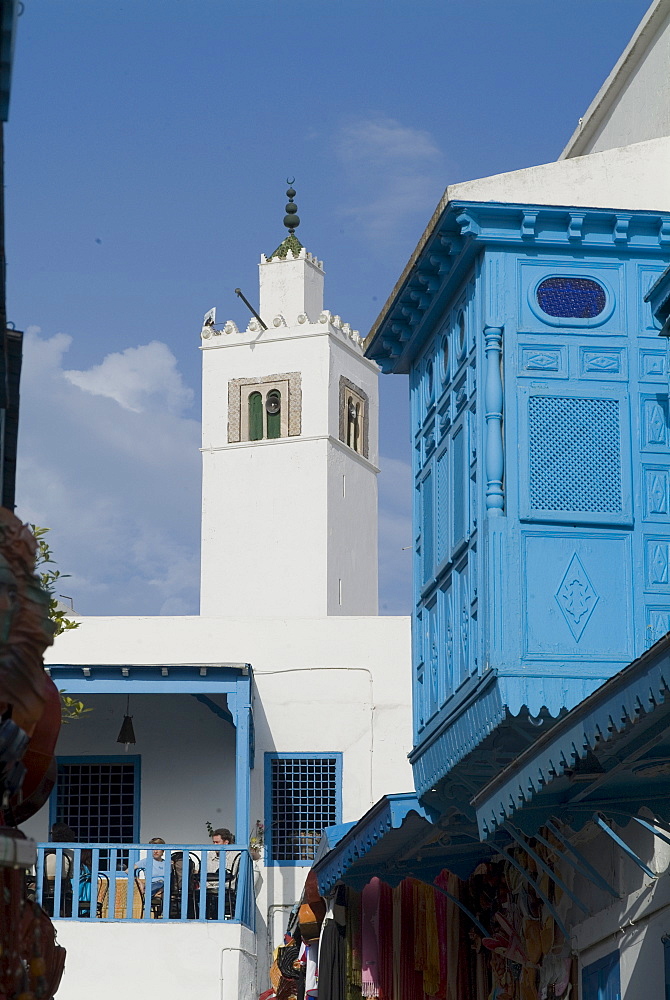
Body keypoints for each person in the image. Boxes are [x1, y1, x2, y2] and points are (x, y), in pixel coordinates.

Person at [206, 828, 239, 918]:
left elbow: (232, 876)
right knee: (193, 895)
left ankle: (216, 919)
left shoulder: (235, 855)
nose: (214, 845)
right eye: (213, 842)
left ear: (226, 842)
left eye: (217, 842)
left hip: (226, 888)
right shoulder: (210, 854)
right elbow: (199, 869)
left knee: (218, 895)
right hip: (209, 888)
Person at [134, 837, 166, 904]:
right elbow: (128, 870)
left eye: (158, 848)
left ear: (163, 850)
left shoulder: (167, 863)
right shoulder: (147, 861)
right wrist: (140, 882)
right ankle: (155, 895)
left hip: (164, 886)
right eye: (153, 849)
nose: (155, 851)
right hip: (152, 885)